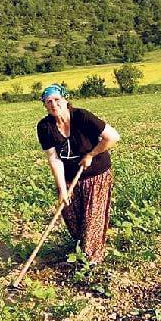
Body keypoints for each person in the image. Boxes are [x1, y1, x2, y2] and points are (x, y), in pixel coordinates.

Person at [37, 84, 120, 264]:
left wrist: (91, 154)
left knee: (92, 218)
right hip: (69, 177)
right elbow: (54, 158)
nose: (53, 105)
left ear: (66, 100)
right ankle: (82, 247)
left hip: (95, 174)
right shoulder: (45, 127)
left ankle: (91, 261)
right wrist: (62, 188)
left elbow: (112, 137)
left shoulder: (82, 117)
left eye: (57, 100)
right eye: (48, 101)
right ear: (44, 105)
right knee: (73, 219)